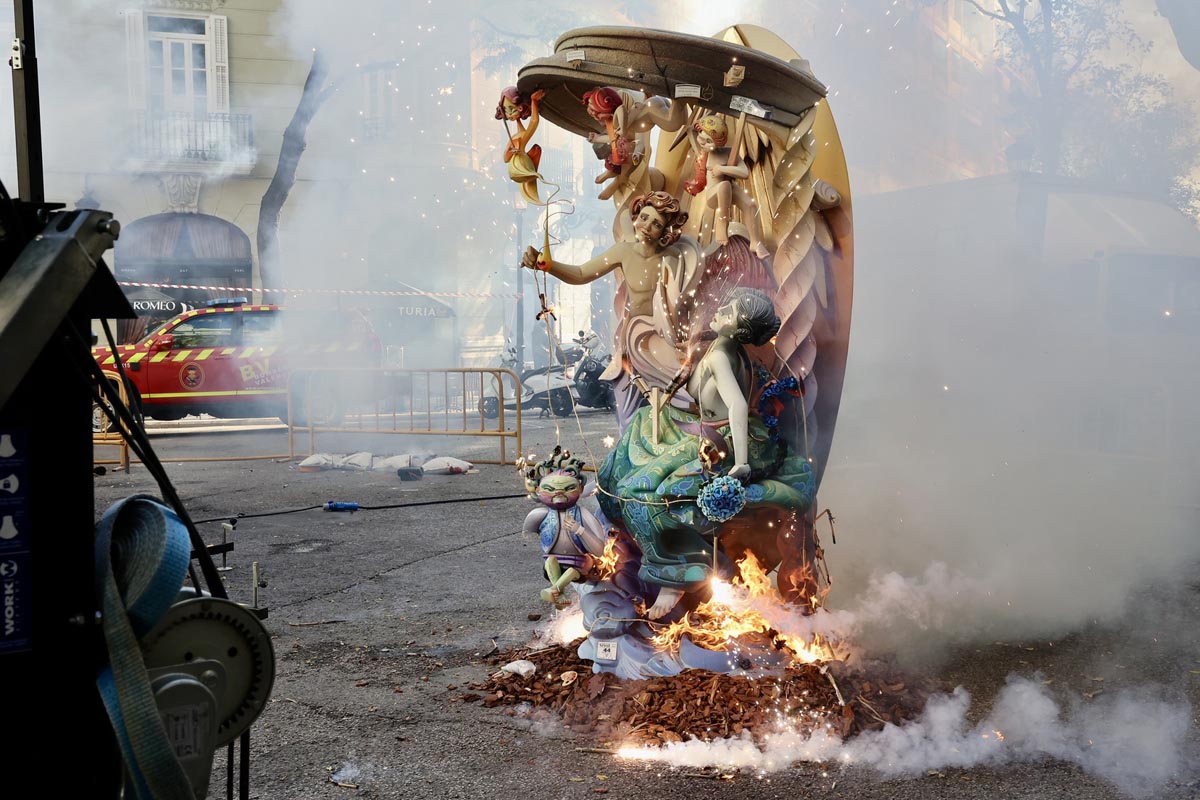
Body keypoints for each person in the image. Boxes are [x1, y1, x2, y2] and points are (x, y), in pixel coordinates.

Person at [597, 288, 814, 620]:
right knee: (641, 428)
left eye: (729, 311)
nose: (720, 307)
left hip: (719, 442)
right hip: (706, 428)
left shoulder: (718, 356)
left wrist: (741, 462)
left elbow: (738, 405)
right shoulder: (726, 349)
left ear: (738, 328)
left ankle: (680, 571)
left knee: (635, 491)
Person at [522, 190, 698, 421]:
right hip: (632, 341)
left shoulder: (673, 258)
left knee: (676, 405)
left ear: (664, 231)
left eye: (656, 224)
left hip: (663, 339)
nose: (646, 226)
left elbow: (682, 302)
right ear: (637, 216)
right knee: (626, 411)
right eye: (644, 217)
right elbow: (582, 273)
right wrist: (549, 266)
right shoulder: (623, 251)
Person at [684, 114, 770, 258]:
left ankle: (756, 242)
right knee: (724, 185)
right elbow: (690, 130)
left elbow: (744, 172)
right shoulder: (702, 155)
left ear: (718, 142)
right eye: (701, 138)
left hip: (730, 189)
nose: (703, 143)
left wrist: (722, 169)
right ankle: (723, 221)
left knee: (750, 205)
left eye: (708, 141)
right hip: (713, 194)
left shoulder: (729, 152)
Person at [496, 87, 547, 205]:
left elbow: (534, 122)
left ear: (520, 108)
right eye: (506, 111)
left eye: (512, 110)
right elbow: (505, 158)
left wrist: (534, 101)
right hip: (515, 167)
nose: (509, 115)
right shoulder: (514, 136)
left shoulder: (523, 135)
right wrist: (510, 151)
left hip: (520, 164)